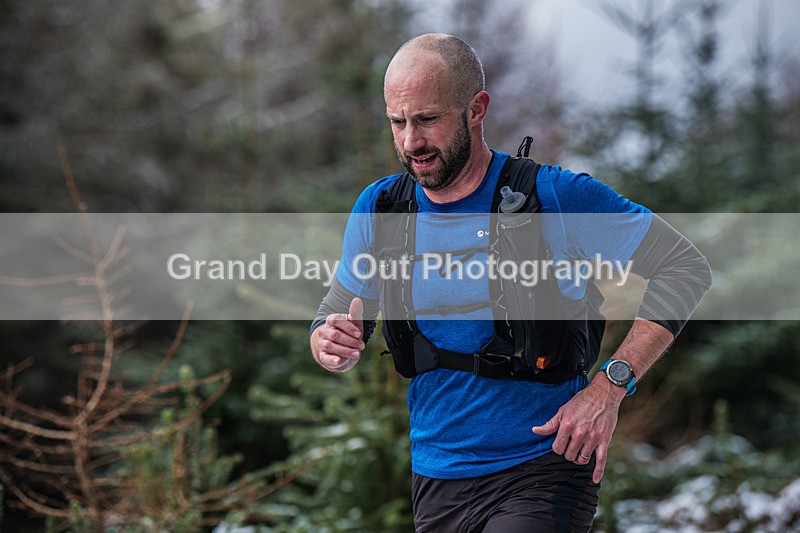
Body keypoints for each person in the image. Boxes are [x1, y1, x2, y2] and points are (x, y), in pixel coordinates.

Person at [310, 33, 711, 532]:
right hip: (437, 476)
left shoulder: (553, 196)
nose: (411, 141)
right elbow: (338, 306)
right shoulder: (383, 207)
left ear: (476, 109)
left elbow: (684, 266)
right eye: (398, 122)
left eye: (427, 119)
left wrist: (610, 386)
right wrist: (329, 337)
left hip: (545, 465)